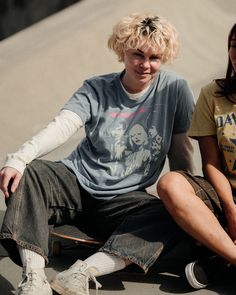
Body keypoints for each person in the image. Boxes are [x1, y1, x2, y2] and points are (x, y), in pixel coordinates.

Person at [0, 12, 195, 295]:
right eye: (137, 55)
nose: (145, 65)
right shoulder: (96, 88)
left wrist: (186, 199)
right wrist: (19, 158)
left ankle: (82, 272)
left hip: (125, 199)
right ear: (122, 51)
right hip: (75, 182)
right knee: (29, 173)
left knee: (170, 215)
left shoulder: (175, 89)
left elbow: (181, 150)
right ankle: (34, 278)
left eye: (154, 58)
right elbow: (62, 127)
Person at [157, 23, 236, 289]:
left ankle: (216, 259)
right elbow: (211, 163)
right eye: (234, 46)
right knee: (171, 184)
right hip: (224, 193)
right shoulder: (212, 94)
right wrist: (231, 207)